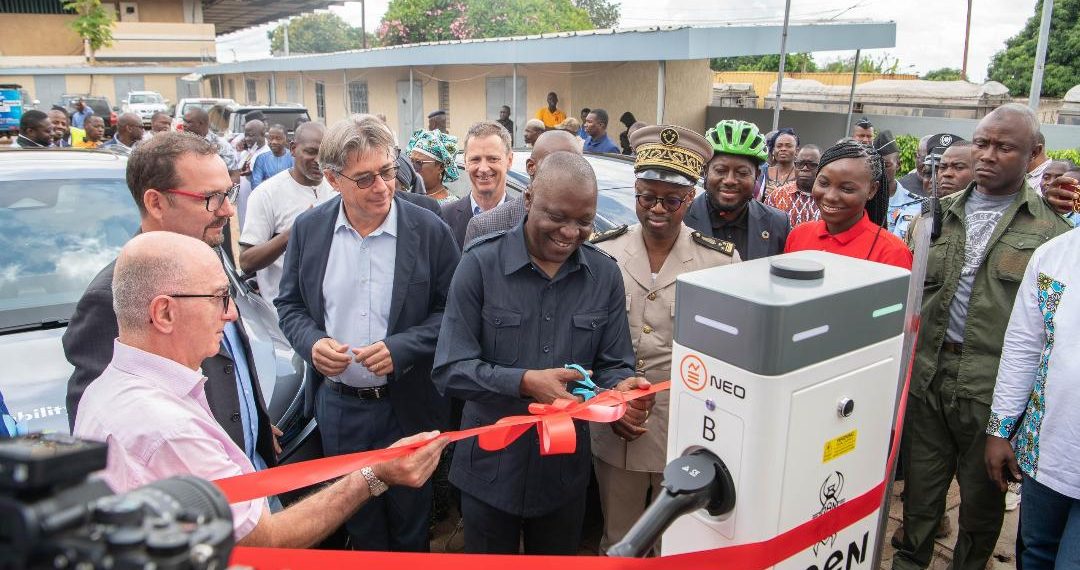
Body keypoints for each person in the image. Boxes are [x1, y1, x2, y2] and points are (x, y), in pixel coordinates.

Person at [73, 230, 449, 547]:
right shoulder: (167, 430)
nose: (231, 313)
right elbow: (263, 538)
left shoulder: (111, 388)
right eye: (219, 297)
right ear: (164, 313)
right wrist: (375, 475)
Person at [432, 150, 652, 555]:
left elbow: (613, 363)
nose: (570, 232)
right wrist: (524, 383)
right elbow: (450, 369)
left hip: (562, 479)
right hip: (489, 474)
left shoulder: (603, 275)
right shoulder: (479, 265)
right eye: (557, 217)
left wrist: (622, 393)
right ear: (529, 200)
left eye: (584, 221)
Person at [893, 104, 1072, 570]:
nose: (988, 155)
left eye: (1004, 147)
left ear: (1034, 154)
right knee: (920, 499)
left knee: (981, 506)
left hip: (993, 391)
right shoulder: (933, 217)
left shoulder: (1051, 233)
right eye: (982, 143)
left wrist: (1016, 416)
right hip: (929, 379)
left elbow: (1047, 333)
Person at [275, 117, 460, 552]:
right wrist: (312, 343)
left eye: (388, 171)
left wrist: (403, 347)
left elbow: (454, 313)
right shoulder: (309, 230)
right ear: (333, 179)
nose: (382, 187)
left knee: (412, 527)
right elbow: (290, 306)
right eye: (364, 178)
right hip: (341, 409)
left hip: (408, 406)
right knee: (361, 527)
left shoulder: (428, 228)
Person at [64, 132, 280, 475]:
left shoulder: (208, 251)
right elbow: (108, 441)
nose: (227, 210)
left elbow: (229, 362)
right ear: (156, 203)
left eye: (229, 193)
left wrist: (253, 420)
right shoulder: (114, 297)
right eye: (210, 198)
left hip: (250, 473)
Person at [590, 125, 739, 554]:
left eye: (671, 200)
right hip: (617, 424)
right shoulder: (602, 252)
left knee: (676, 547)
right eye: (646, 197)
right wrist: (606, 400)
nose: (657, 208)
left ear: (690, 199)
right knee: (618, 541)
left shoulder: (720, 262)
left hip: (686, 428)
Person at [984, 227, 1080, 570]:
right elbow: (1023, 347)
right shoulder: (1054, 255)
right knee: (1035, 554)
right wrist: (1000, 431)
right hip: (1047, 455)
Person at [239, 122, 334, 305]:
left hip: (330, 308)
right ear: (293, 148)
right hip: (283, 311)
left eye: (325, 154)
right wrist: (294, 232)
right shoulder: (266, 194)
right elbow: (247, 262)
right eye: (311, 152)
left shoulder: (337, 188)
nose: (319, 160)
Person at [783, 139, 912, 269]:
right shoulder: (798, 236)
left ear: (872, 190)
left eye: (847, 189)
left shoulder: (892, 253)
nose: (830, 196)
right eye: (823, 183)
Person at [685, 119, 790, 260]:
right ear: (705, 171)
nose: (730, 180)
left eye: (742, 172)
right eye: (720, 170)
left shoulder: (777, 224)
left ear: (757, 176)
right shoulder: (680, 218)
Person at [463, 129, 583, 244]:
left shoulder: (586, 227)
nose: (567, 172)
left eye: (574, 165)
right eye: (557, 164)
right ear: (531, 167)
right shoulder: (485, 226)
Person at [442, 121, 513, 250]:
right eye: (475, 159)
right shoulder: (444, 218)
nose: (483, 168)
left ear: (509, 160)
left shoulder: (526, 219)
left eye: (493, 159)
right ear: (465, 162)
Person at [879, 131, 924, 241]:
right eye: (876, 165)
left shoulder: (916, 204)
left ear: (898, 164)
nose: (880, 170)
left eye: (886, 165)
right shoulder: (863, 201)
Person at [764, 144, 822, 228]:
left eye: (811, 165)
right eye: (800, 164)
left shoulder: (827, 198)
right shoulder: (777, 196)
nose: (804, 168)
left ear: (821, 167)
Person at [407, 128, 460, 205]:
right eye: (410, 161)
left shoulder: (451, 206)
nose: (412, 168)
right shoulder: (404, 197)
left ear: (441, 167)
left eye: (418, 163)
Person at [235, 120, 270, 228]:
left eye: (251, 135)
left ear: (262, 134)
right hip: (243, 203)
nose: (247, 139)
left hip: (258, 206)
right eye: (245, 135)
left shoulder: (268, 154)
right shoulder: (247, 152)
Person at [184, 106, 239, 176]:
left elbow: (234, 175)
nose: (184, 124)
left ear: (201, 123)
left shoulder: (221, 145)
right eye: (184, 121)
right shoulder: (181, 142)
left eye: (188, 122)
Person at [250, 124, 293, 189]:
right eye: (271, 138)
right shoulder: (261, 159)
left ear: (286, 139)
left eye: (278, 138)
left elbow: (296, 182)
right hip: (265, 194)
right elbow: (255, 184)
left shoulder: (294, 157)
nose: (273, 142)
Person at [764, 128, 798, 200]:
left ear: (796, 151)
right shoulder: (763, 172)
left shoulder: (801, 175)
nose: (783, 149)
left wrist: (778, 194)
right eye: (779, 146)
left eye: (788, 146)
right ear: (773, 151)